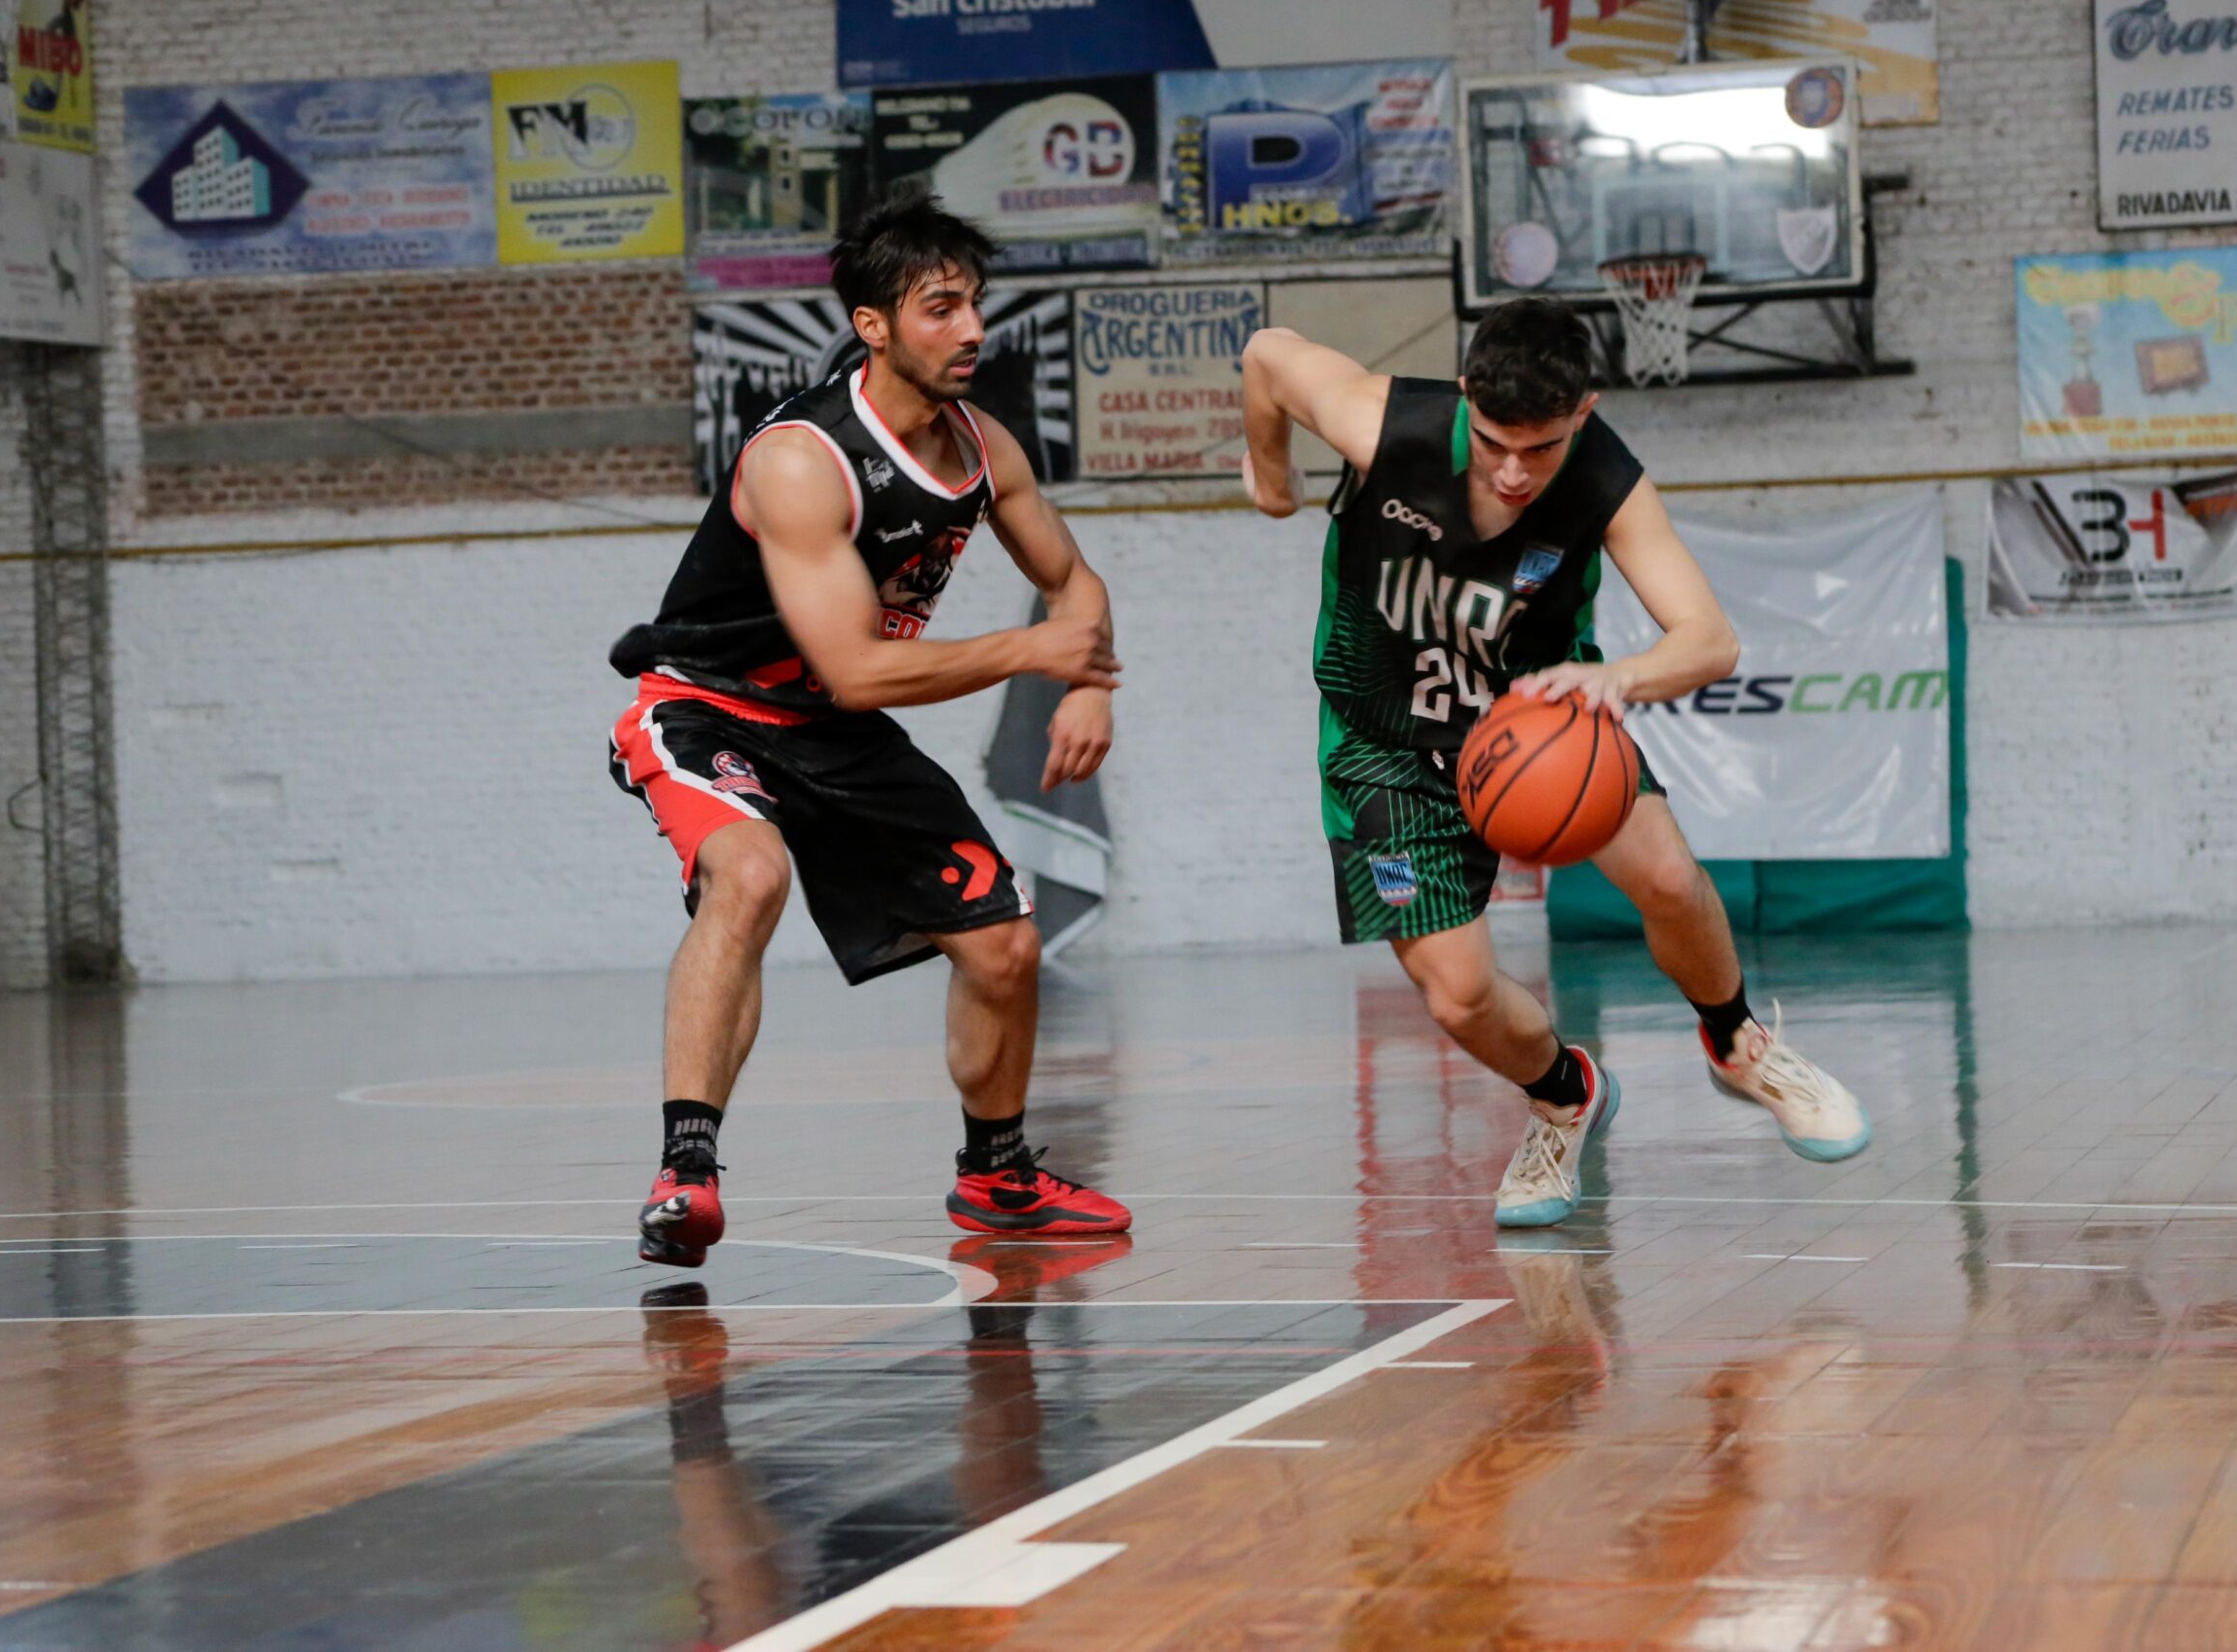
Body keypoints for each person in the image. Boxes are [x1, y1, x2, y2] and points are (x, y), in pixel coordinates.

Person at [1237, 299, 1871, 1229]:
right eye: (1494, 441)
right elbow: (1267, 353)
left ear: (1584, 410)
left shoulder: (1606, 479)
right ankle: (1564, 1092)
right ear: (1464, 398)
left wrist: (1615, 677)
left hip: (1536, 725)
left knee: (1667, 874)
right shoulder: (1384, 422)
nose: (1512, 469)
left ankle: (1739, 1043)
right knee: (1456, 1000)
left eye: (1539, 448)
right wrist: (1271, 471)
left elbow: (1709, 640)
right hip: (1384, 747)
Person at [607, 196, 1132, 1266]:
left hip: (836, 731)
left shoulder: (984, 445)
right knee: (748, 878)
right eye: (941, 307)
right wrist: (1031, 652)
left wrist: (1091, 683)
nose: (973, 327)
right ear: (875, 323)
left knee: (1004, 945)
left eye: (977, 304)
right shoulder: (801, 459)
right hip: (709, 705)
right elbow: (854, 670)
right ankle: (686, 1175)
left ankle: (996, 1176)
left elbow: (1072, 577)